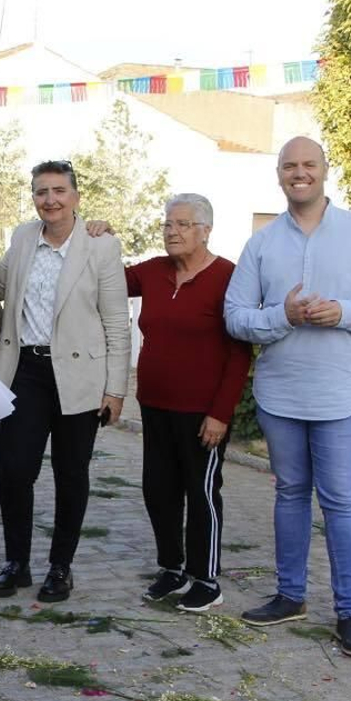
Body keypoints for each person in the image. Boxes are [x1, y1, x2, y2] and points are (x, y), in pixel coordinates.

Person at [223, 137, 351, 658]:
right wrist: (285, 315)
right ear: (279, 175)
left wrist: (342, 313)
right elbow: (236, 317)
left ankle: (350, 613)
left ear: (325, 172)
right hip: (281, 393)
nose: (299, 174)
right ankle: (290, 596)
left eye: (308, 165)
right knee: (290, 495)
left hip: (342, 394)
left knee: (341, 501)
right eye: (289, 166)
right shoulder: (262, 244)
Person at [0, 160, 130, 603]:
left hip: (80, 376)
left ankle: (60, 567)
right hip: (25, 370)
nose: (50, 199)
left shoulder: (100, 246)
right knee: (14, 471)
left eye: (58, 191)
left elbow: (117, 322)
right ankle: (17, 564)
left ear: (76, 196)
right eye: (41, 191)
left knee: (71, 474)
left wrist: (116, 389)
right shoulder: (23, 237)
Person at [126, 194, 253, 612]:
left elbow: (239, 354)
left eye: (181, 224)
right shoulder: (153, 272)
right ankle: (172, 567)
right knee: (158, 490)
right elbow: (106, 278)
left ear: (205, 231)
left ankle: (206, 578)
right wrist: (97, 236)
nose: (171, 232)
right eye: (167, 224)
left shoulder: (228, 277)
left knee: (200, 494)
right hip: (155, 404)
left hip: (203, 413)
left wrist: (220, 413)